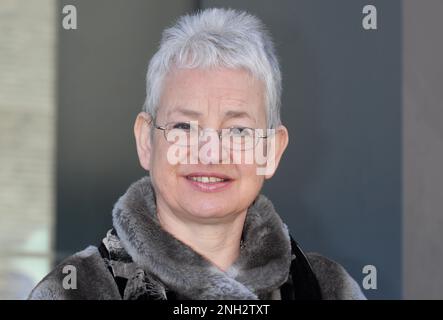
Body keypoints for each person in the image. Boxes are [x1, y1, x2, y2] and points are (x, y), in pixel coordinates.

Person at [29, 8, 365, 300]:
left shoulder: (327, 288)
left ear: (271, 151)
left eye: (237, 131)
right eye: (184, 127)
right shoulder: (73, 291)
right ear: (147, 141)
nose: (210, 153)